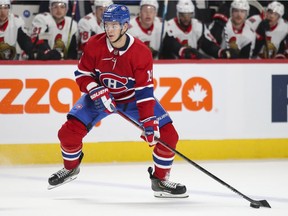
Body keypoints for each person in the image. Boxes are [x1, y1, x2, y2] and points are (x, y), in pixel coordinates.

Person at [48, 4, 188, 198]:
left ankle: (160, 180)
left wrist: (148, 121)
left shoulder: (140, 53)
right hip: (100, 96)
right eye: (107, 25)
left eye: (115, 25)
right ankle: (71, 168)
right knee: (67, 133)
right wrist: (94, 88)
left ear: (125, 26)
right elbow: (82, 74)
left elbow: (145, 92)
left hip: (132, 99)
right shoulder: (95, 44)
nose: (110, 30)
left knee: (169, 135)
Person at [161, 0, 237, 59]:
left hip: (194, 65)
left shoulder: (198, 26)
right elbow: (170, 44)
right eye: (183, 15)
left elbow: (208, 45)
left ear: (193, 14)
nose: (186, 18)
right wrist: (184, 51)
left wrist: (220, 52)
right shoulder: (169, 26)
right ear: (178, 14)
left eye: (189, 15)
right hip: (173, 64)